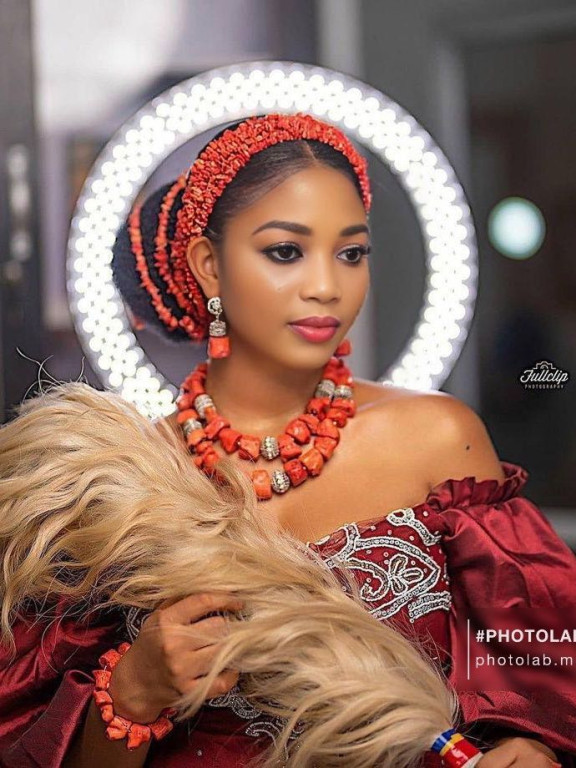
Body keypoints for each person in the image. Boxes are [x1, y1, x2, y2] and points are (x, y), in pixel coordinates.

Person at [0, 112, 574, 767]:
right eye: (285, 252)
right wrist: (133, 693)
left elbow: (545, 671)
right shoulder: (120, 492)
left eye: (351, 253)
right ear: (209, 266)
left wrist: (529, 744)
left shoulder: (436, 439)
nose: (327, 286)